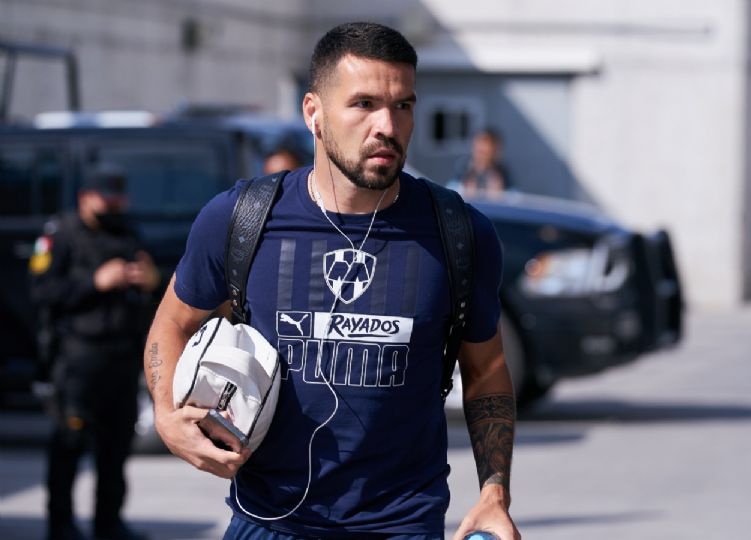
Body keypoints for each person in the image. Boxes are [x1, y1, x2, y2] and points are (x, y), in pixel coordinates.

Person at [144, 22, 520, 540]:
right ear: (313, 113)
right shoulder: (241, 217)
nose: (386, 125)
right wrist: (166, 416)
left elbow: (488, 371)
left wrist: (493, 494)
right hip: (268, 523)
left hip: (403, 525)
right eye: (363, 104)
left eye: (403, 105)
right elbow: (171, 323)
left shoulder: (460, 232)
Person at [30, 165, 159, 540]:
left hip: (121, 357)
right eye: (107, 197)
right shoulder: (61, 235)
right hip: (78, 358)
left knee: (115, 448)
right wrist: (95, 282)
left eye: (119, 197)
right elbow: (41, 292)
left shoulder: (127, 230)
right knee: (69, 444)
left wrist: (150, 282)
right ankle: (61, 525)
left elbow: (153, 283)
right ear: (86, 198)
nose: (115, 204)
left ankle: (109, 523)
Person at [456, 128, 510, 197]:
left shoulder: (502, 171)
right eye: (479, 151)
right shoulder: (464, 169)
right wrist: (463, 191)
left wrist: (501, 194)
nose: (482, 156)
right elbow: (451, 191)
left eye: (485, 153)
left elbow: (514, 196)